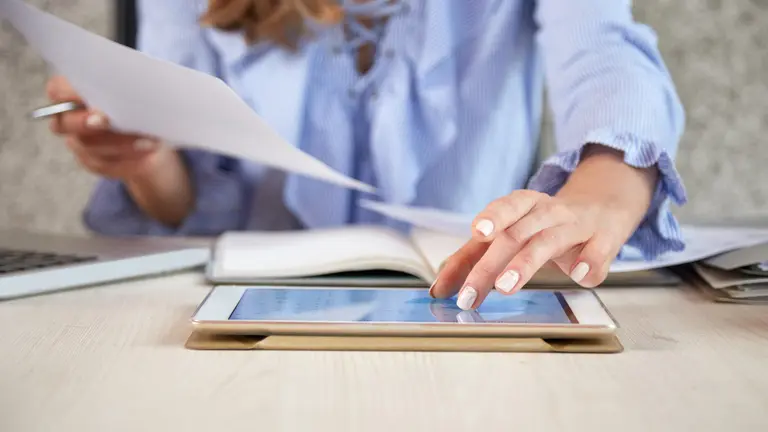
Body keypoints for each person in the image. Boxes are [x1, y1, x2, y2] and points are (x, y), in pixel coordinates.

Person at [46, 0, 687, 310]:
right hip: (243, 306)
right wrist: (145, 164)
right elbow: (189, 193)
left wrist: (599, 194)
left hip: (473, 307)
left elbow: (606, 55)